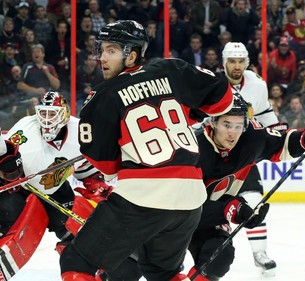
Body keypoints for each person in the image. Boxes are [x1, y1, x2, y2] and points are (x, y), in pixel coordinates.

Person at [59, 20, 234, 281]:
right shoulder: (170, 68)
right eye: (102, 49)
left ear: (131, 55)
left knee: (76, 260)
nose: (102, 58)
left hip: (143, 196)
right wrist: (190, 113)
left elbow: (106, 165)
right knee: (163, 271)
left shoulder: (102, 96)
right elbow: (224, 99)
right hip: (190, 198)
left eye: (111, 50)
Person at [188, 94, 305, 281]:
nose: (232, 133)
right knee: (149, 262)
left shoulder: (250, 138)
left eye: (238, 125)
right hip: (171, 217)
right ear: (213, 122)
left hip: (208, 215)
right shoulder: (193, 149)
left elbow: (281, 144)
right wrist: (230, 208)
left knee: (218, 257)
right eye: (226, 125)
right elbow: (184, 206)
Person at [0, 91, 111, 279]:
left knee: (75, 233)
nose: (46, 119)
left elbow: (85, 164)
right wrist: (7, 170)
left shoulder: (80, 131)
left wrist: (94, 184)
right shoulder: (25, 130)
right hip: (19, 189)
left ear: (64, 113)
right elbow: (6, 156)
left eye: (52, 114)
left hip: (55, 189)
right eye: (43, 113)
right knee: (10, 228)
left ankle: (84, 272)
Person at [218, 41, 287, 276]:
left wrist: (280, 132)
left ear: (246, 62)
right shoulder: (212, 84)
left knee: (255, 201)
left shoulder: (257, 85)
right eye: (232, 61)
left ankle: (260, 253)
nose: (236, 66)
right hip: (213, 154)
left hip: (244, 153)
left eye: (240, 61)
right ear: (224, 62)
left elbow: (265, 112)